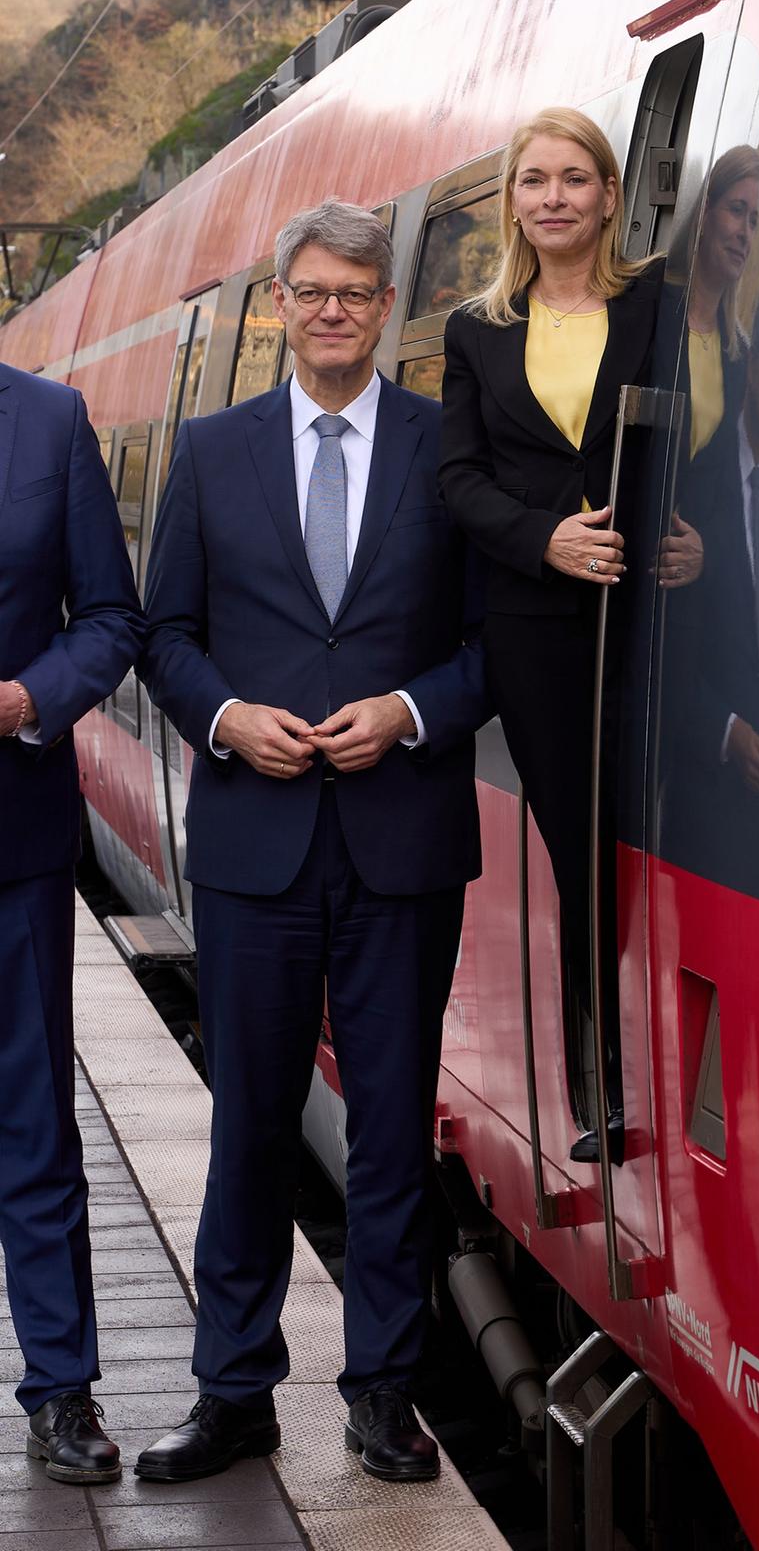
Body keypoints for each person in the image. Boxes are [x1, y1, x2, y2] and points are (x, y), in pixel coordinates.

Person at [136, 200, 489, 1486]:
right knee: (251, 1131)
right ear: (280, 304)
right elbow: (163, 630)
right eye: (313, 292)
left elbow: (490, 646)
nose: (333, 310)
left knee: (392, 1131)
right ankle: (233, 1392)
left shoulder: (446, 446)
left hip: (401, 842)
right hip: (255, 845)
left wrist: (407, 711)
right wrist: (227, 718)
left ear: (386, 307)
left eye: (356, 292)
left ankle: (384, 1395)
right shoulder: (213, 450)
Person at [439, 106, 700, 1163]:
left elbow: (701, 432)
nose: (554, 197)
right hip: (538, 628)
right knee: (580, 847)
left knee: (660, 842)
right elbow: (458, 477)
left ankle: (670, 1066)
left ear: (609, 194)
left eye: (575, 179)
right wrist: (543, 541)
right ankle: (602, 1087)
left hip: (652, 615)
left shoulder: (659, 305)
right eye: (534, 179)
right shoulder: (476, 328)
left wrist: (698, 539)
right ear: (513, 199)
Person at [0, 363, 142, 1485]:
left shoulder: (51, 420)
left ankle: (61, 1390)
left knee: (36, 1122)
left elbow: (110, 618)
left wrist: (28, 697)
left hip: (15, 842)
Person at [665, 284, 759, 907]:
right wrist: (724, 732)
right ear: (748, 371)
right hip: (701, 808)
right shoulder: (700, 476)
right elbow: (661, 644)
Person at [664, 143, 759, 460]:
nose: (745, 233)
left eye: (753, 221)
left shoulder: (737, 353)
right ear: (705, 213)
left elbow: (717, 467)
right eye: (736, 210)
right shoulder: (651, 304)